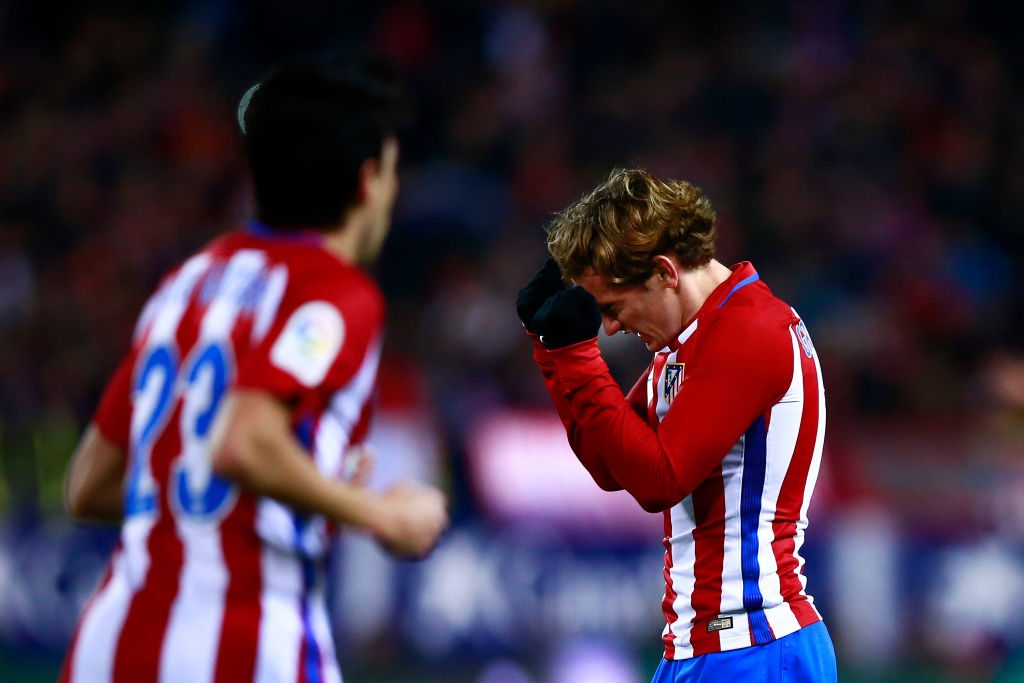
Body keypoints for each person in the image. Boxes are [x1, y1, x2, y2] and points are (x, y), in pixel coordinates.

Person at [59, 56, 448, 683]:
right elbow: (243, 442)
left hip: (113, 641)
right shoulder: (334, 293)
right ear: (369, 180)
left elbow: (91, 485)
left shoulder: (188, 283)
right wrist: (378, 513)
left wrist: (304, 482)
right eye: (394, 172)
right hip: (241, 640)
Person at [516, 169, 837, 682]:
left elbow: (657, 480)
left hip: (754, 647)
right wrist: (552, 352)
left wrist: (579, 355)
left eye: (613, 307)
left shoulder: (751, 332)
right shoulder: (692, 341)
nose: (612, 327)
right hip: (706, 647)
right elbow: (611, 463)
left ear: (665, 272)